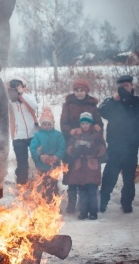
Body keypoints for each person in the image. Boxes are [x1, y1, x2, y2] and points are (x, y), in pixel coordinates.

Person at [60, 78, 103, 213]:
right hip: (73, 142)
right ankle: (72, 203)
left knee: (87, 174)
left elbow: (98, 123)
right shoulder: (68, 104)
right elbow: (63, 123)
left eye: (82, 90)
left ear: (86, 91)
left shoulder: (92, 105)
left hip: (89, 141)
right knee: (71, 174)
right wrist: (71, 131)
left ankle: (88, 204)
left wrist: (96, 128)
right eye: (77, 90)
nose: (79, 93)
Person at [99, 75, 139, 214]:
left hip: (131, 147)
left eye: (126, 85)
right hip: (115, 146)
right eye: (121, 86)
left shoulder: (137, 102)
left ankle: (126, 203)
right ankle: (103, 202)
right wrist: (112, 99)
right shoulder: (113, 102)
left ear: (132, 86)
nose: (124, 88)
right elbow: (101, 110)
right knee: (109, 176)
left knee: (129, 178)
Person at [66, 112, 107, 220]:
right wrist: (76, 146)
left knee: (92, 191)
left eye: (87, 123)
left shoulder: (97, 134)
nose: (84, 125)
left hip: (92, 166)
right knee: (82, 191)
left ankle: (93, 212)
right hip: (80, 167)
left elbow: (102, 150)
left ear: (91, 124)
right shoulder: (76, 135)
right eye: (82, 123)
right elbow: (70, 150)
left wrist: (91, 146)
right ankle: (83, 212)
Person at [30, 107, 66, 202]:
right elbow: (33, 148)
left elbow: (62, 148)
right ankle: (44, 203)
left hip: (54, 164)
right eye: (44, 124)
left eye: (49, 124)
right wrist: (40, 156)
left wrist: (56, 156)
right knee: (44, 183)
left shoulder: (58, 135)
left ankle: (54, 203)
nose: (46, 126)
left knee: (53, 183)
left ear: (53, 124)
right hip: (41, 165)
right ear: (41, 125)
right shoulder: (38, 135)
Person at [8, 76, 38, 185]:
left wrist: (22, 94)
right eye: (13, 86)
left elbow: (35, 106)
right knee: (22, 164)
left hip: (33, 134)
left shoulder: (28, 97)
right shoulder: (10, 101)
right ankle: (22, 186)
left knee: (38, 160)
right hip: (18, 136)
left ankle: (42, 183)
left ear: (23, 86)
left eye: (18, 85)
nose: (16, 88)